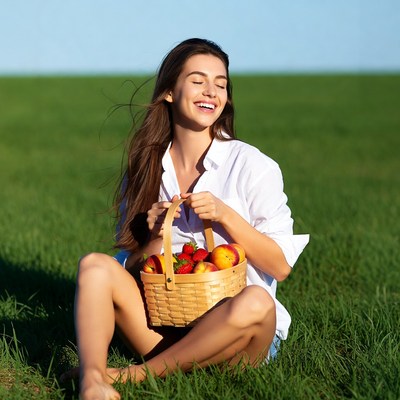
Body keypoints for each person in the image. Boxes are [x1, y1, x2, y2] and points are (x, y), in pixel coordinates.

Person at [64, 38, 309, 400]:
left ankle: (132, 376)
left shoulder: (253, 166)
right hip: (163, 330)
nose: (211, 91)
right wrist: (152, 236)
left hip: (237, 340)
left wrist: (226, 216)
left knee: (258, 300)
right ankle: (93, 382)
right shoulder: (146, 167)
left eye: (221, 83)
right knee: (95, 266)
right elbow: (129, 267)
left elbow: (280, 266)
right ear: (168, 92)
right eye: (198, 80)